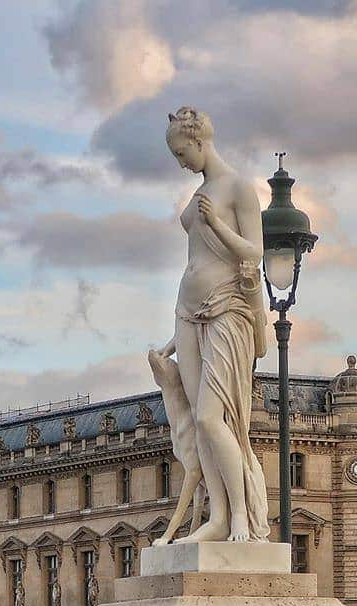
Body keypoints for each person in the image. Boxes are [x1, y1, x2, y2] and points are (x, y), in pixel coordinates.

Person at [151, 105, 270, 543]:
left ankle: (239, 515)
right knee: (199, 422)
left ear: (199, 142)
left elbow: (253, 253)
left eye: (182, 154)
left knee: (210, 417)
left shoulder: (239, 188)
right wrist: (170, 345)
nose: (181, 163)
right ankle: (217, 516)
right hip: (187, 312)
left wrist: (216, 223)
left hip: (226, 309)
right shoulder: (203, 189)